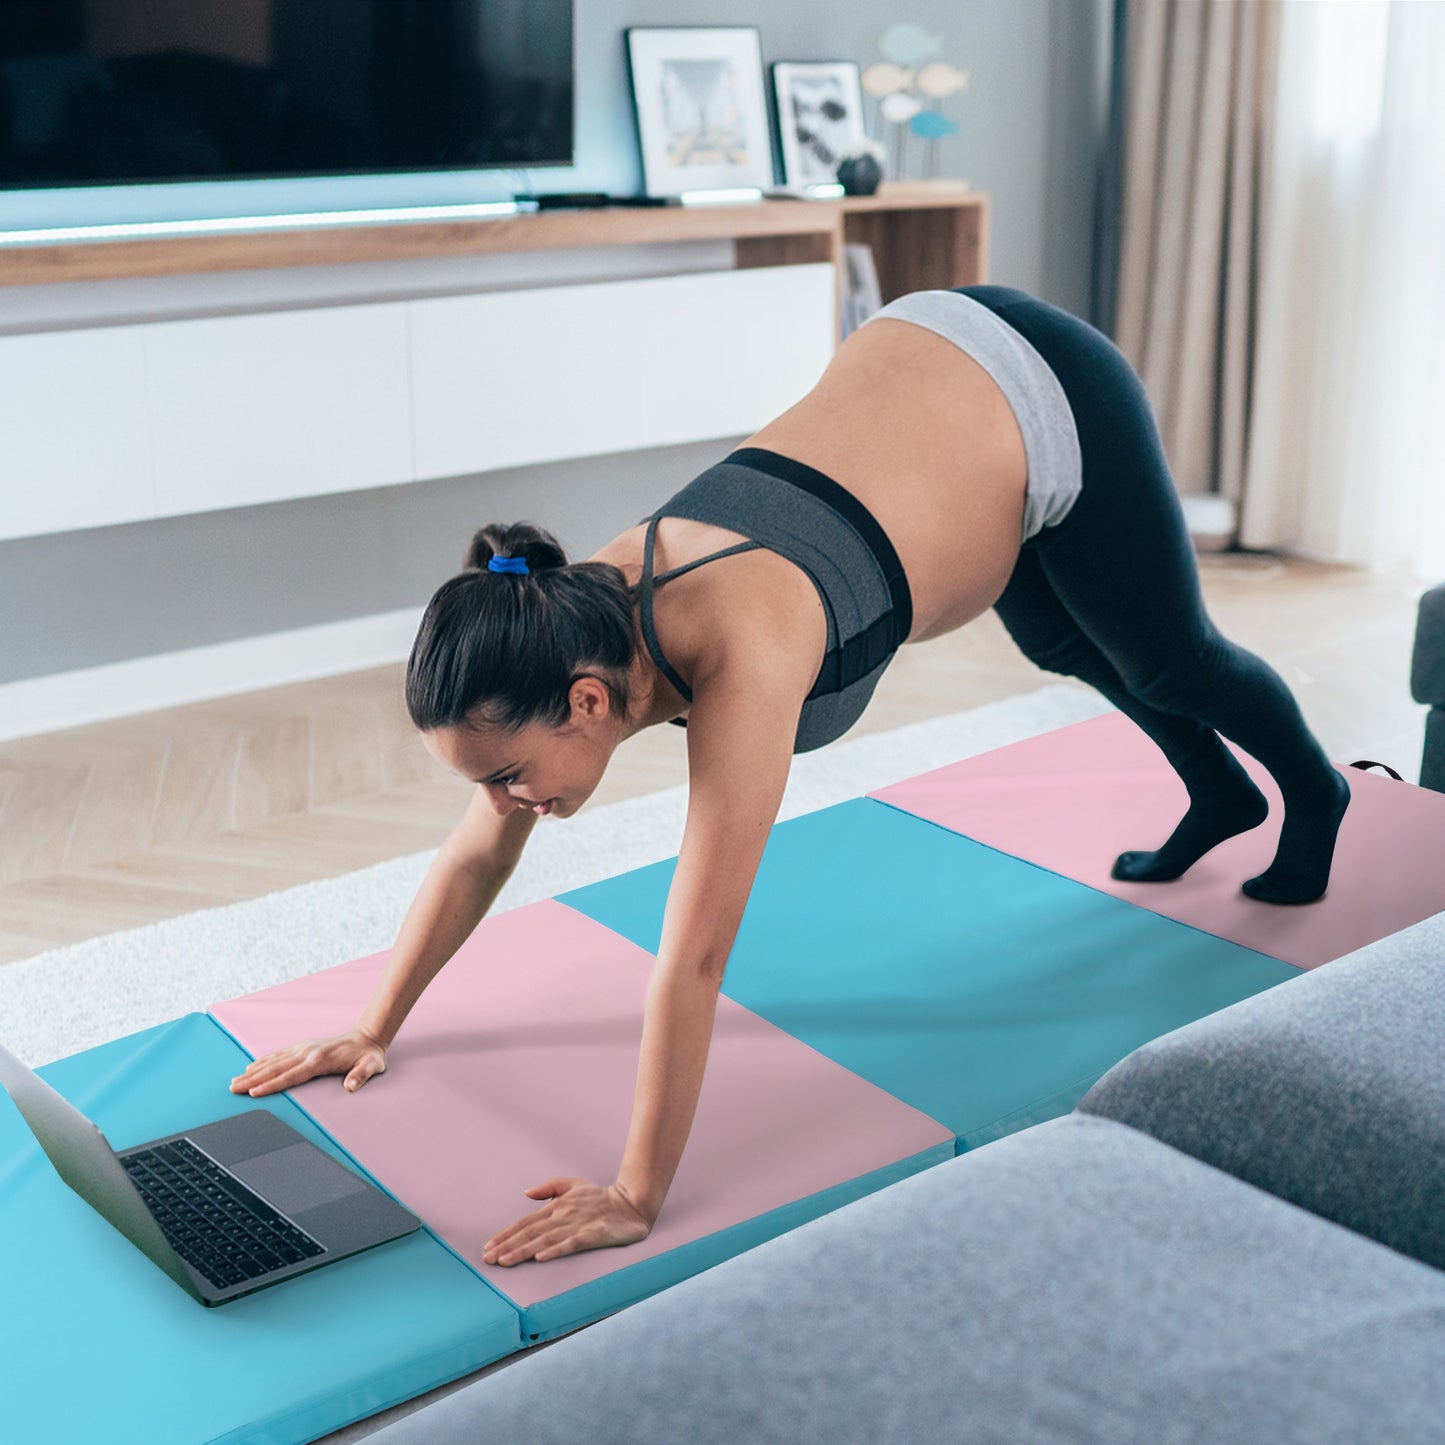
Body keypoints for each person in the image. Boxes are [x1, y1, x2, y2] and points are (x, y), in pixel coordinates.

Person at [229, 285, 1350, 1266]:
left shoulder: (744, 647)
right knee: (1065, 644)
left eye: (511, 774)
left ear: (582, 701)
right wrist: (372, 1023)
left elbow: (696, 951)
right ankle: (1218, 795)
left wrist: (634, 1192)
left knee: (1167, 654)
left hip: (1040, 384)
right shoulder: (562, 615)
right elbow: (479, 851)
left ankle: (1312, 790)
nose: (510, 801)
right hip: (925, 388)